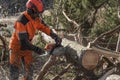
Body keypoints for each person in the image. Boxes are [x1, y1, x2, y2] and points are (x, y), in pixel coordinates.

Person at [9, 0, 61, 80]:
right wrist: (37, 49)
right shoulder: (21, 21)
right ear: (31, 9)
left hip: (28, 46)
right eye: (37, 12)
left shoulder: (36, 18)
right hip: (16, 47)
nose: (38, 15)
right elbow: (23, 43)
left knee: (29, 72)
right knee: (14, 73)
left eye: (39, 13)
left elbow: (44, 27)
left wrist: (55, 36)